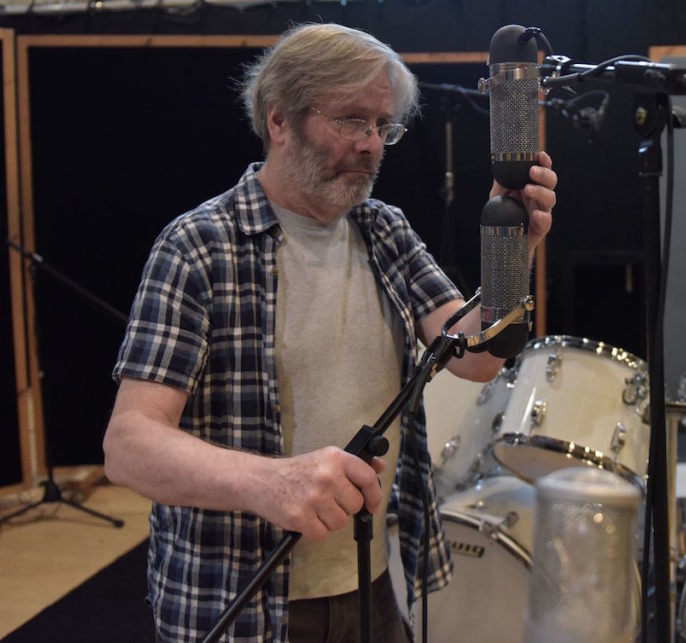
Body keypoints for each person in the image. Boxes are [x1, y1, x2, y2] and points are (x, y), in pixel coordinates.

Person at [102, 22, 557, 643]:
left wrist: (513, 249)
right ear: (280, 120)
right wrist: (270, 481)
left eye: (382, 125)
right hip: (240, 594)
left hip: (370, 581)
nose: (371, 144)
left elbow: (473, 358)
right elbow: (128, 445)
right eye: (350, 121)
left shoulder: (384, 231)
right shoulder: (198, 248)